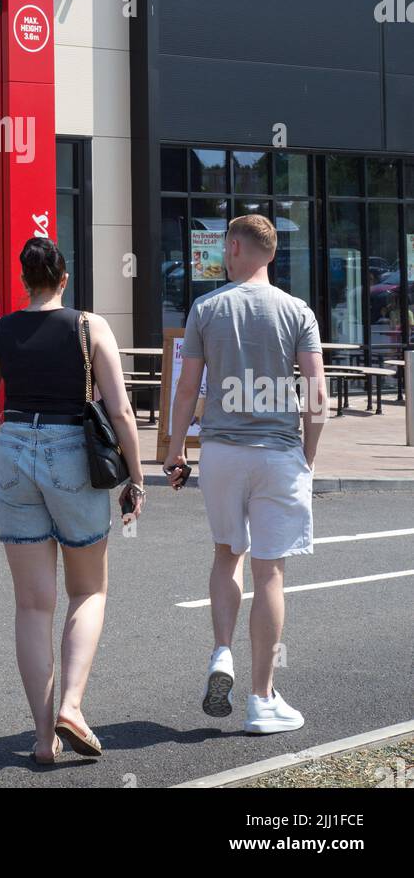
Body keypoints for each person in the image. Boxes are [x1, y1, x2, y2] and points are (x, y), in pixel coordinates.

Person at [0, 237, 145, 766]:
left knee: (32, 605)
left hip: (12, 452)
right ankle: (72, 706)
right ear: (64, 279)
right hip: (71, 450)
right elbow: (121, 411)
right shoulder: (90, 327)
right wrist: (138, 477)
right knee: (89, 590)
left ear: (24, 281)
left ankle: (43, 738)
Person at [165, 213, 327, 734]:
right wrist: (308, 454)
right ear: (272, 253)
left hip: (221, 452)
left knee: (226, 553)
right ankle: (262, 698)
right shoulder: (297, 311)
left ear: (234, 247)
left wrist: (174, 450)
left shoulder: (206, 308)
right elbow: (316, 393)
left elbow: (187, 389)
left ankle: (221, 653)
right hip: (278, 453)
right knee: (269, 572)